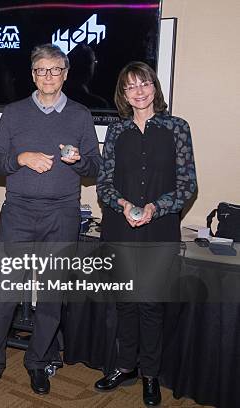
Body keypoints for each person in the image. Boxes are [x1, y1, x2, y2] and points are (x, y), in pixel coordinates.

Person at [0, 44, 101, 396]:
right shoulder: (13, 113)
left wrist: (77, 161)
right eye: (41, 70)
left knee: (52, 294)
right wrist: (21, 158)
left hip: (63, 212)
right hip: (19, 212)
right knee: (4, 293)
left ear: (66, 74)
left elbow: (96, 167)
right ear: (33, 75)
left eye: (55, 70)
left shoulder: (80, 115)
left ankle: (38, 362)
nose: (48, 77)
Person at [94, 61, 197, 406]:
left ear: (155, 87)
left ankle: (150, 374)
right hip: (119, 227)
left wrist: (154, 207)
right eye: (130, 87)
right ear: (123, 94)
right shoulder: (116, 131)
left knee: (151, 305)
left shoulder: (177, 128)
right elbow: (104, 184)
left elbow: (187, 186)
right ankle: (125, 367)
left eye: (144, 84)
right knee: (124, 304)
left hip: (159, 229)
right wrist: (122, 203)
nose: (138, 91)